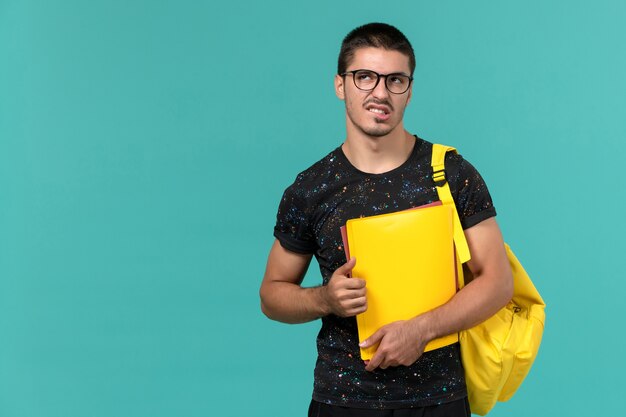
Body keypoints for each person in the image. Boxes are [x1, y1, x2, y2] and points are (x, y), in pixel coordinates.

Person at [260, 22, 513, 417]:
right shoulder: (310, 189)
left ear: (409, 91)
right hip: (342, 400)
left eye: (395, 80)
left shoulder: (451, 172)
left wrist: (421, 330)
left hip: (440, 400)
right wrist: (324, 298)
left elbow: (498, 282)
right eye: (365, 77)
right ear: (340, 85)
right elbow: (272, 295)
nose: (380, 92)